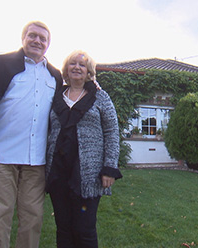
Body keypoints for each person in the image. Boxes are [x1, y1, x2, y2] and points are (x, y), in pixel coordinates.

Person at [0, 21, 63, 248]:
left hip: (35, 163)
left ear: (48, 44)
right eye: (33, 36)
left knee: (33, 221)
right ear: (23, 38)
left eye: (43, 38)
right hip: (0, 159)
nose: (38, 41)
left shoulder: (54, 76)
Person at [46, 50, 122, 248]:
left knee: (84, 229)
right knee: (63, 228)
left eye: (82, 65)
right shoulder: (55, 97)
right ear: (66, 69)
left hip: (88, 174)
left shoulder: (100, 97)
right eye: (72, 64)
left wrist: (109, 168)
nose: (77, 67)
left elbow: (112, 132)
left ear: (89, 71)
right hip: (58, 172)